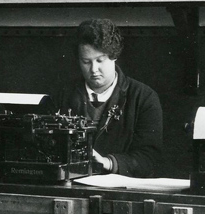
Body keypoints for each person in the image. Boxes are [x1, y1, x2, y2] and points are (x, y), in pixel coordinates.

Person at [55, 18, 162, 178]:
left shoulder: (144, 97)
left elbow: (149, 158)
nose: (94, 69)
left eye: (100, 60)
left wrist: (108, 162)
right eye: (86, 62)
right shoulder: (62, 94)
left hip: (121, 187)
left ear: (114, 56)